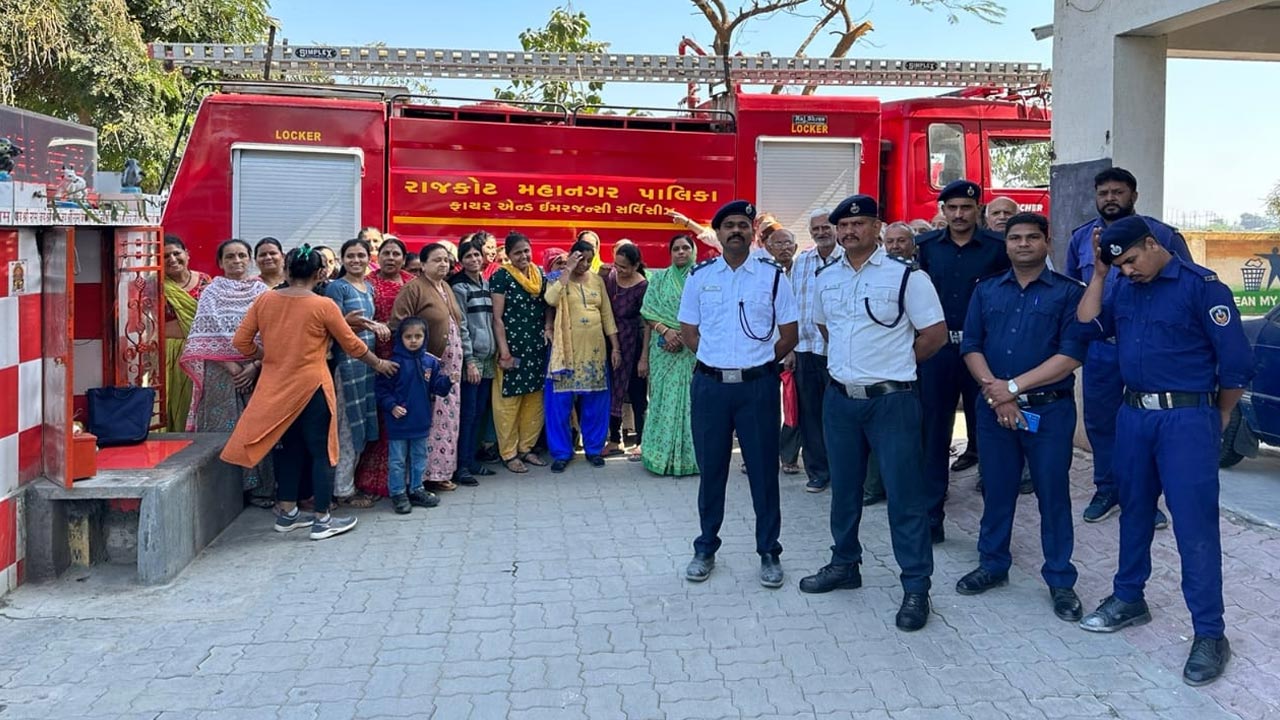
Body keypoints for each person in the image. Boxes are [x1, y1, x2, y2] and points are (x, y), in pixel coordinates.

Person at [1075, 215, 1254, 687]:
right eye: (1121, 266)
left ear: (1152, 244)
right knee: (1133, 512)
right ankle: (1129, 597)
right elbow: (1087, 324)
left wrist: (1217, 415)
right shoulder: (1122, 286)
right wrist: (1100, 275)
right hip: (1134, 416)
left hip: (1186, 419)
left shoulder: (1202, 287)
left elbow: (1236, 363)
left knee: (1195, 526)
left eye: (1132, 260)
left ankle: (1210, 633)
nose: (1129, 270)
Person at [799, 193, 946, 632]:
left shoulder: (907, 277)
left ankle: (916, 585)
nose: (849, 232)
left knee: (904, 496)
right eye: (843, 226)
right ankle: (845, 563)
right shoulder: (826, 277)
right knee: (844, 491)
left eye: (858, 224)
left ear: (877, 228)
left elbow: (934, 335)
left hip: (892, 402)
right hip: (841, 400)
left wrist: (893, 365)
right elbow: (825, 326)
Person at [955, 212, 1087, 622]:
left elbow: (1070, 356)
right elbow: (971, 345)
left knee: (1052, 494)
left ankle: (1060, 579)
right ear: (1006, 244)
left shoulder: (1069, 293)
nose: (1023, 244)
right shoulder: (986, 289)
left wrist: (1012, 388)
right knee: (997, 490)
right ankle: (993, 564)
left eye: (1032, 237)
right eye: (1015, 238)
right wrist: (997, 394)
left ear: (1047, 242)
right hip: (993, 410)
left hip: (1049, 411)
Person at [222, 244, 398, 540]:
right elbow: (352, 344)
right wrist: (378, 363)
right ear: (319, 274)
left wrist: (269, 356)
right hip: (313, 387)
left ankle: (287, 514)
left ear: (286, 271)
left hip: (275, 389)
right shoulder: (323, 305)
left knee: (288, 449)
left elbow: (241, 342)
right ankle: (322, 520)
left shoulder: (265, 300)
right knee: (322, 453)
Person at [678, 200, 799, 589]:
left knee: (763, 472)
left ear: (752, 233)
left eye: (743, 225)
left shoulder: (772, 277)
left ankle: (769, 551)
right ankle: (705, 547)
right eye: (728, 225)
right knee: (711, 471)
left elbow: (790, 333)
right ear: (718, 232)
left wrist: (758, 363)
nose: (736, 231)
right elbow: (689, 332)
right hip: (711, 387)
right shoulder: (700, 276)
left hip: (757, 388)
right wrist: (718, 361)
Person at [1067, 168, 1192, 527]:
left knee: (1146, 422)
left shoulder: (1162, 235)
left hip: (1148, 347)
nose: (1110, 198)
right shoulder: (1081, 238)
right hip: (1102, 348)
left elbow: (1185, 286)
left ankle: (1145, 498)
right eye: (1103, 192)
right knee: (1101, 421)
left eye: (1118, 192)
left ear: (1133, 196)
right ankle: (1107, 489)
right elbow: (1076, 291)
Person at [915, 179, 1011, 544]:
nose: (958, 214)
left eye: (966, 208)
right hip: (937, 352)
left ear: (978, 210)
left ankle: (994, 525)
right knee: (933, 433)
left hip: (982, 353)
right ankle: (931, 515)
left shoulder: (998, 248)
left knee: (989, 432)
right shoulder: (925, 248)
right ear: (943, 210)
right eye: (952, 208)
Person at [180, 239, 273, 505]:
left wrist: (254, 366)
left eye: (242, 255)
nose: (236, 261)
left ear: (250, 259)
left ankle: (261, 490)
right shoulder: (211, 291)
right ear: (220, 262)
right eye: (230, 257)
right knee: (224, 428)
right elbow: (205, 331)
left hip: (257, 368)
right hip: (220, 371)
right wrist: (231, 366)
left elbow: (271, 332)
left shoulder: (263, 291)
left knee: (257, 428)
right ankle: (225, 492)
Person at [390, 243, 467, 492]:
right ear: (423, 264)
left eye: (446, 260)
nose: (443, 264)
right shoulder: (413, 289)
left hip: (450, 368)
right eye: (436, 260)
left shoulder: (446, 287)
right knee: (430, 421)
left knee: (448, 420)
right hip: (425, 367)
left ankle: (441, 472)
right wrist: (416, 358)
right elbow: (398, 325)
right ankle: (423, 477)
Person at [544, 241, 621, 472]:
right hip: (565, 353)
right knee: (559, 405)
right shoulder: (558, 278)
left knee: (596, 404)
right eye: (581, 260)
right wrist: (567, 269)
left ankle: (594, 449)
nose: (585, 265)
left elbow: (607, 315)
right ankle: (561, 453)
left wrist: (615, 347)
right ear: (572, 257)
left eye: (589, 260)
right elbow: (550, 300)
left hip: (594, 352)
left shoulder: (597, 281)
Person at [326, 238, 390, 508]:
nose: (356, 260)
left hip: (367, 365)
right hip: (347, 365)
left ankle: (348, 483)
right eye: (350, 256)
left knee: (362, 425)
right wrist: (351, 324)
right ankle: (342, 489)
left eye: (361, 255)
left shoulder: (369, 287)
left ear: (368, 258)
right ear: (342, 259)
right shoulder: (337, 288)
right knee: (347, 427)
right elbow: (329, 326)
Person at [352, 237, 417, 498]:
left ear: (404, 258)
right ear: (377, 257)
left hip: (406, 356)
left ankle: (407, 478)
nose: (391, 258)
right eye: (386, 253)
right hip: (374, 357)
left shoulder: (411, 283)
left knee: (403, 413)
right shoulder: (368, 283)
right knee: (379, 414)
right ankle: (374, 480)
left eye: (396, 254)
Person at [376, 318, 453, 514]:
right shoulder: (393, 364)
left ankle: (417, 489)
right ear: (400, 338)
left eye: (418, 336)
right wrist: (392, 406)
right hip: (399, 423)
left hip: (421, 421)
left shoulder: (430, 362)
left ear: (425, 337)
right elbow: (381, 390)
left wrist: (448, 381)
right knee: (397, 460)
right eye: (408, 336)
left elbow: (437, 387)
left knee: (419, 457)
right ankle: (398, 493)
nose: (413, 340)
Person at [640, 235, 700, 477]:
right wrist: (666, 331)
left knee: (691, 402)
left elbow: (711, 311)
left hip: (693, 349)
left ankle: (690, 458)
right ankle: (659, 456)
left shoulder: (702, 277)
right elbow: (648, 310)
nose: (681, 252)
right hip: (663, 348)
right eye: (676, 248)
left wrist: (685, 336)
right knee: (663, 399)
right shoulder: (659, 278)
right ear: (670, 253)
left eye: (686, 248)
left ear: (693, 251)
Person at [790, 210, 841, 494]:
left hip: (836, 351)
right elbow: (791, 305)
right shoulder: (802, 261)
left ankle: (842, 471)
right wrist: (789, 349)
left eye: (825, 227)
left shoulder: (847, 258)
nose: (821, 232)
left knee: (838, 415)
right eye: (816, 229)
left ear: (835, 229)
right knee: (809, 415)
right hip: (805, 349)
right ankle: (818, 472)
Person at [490, 232, 550, 473]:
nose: (523, 256)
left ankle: (526, 448)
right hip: (512, 349)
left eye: (526, 250)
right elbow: (497, 318)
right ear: (508, 255)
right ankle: (509, 453)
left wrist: (548, 327)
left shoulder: (539, 275)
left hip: (535, 348)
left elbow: (547, 306)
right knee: (509, 403)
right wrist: (504, 351)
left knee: (534, 400)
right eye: (517, 253)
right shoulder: (501, 277)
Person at [451, 239, 498, 484]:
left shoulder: (487, 284)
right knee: (467, 414)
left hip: (488, 358)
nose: (474, 259)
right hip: (472, 359)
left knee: (479, 412)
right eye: (468, 256)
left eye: (477, 255)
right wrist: (469, 359)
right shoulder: (459, 287)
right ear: (461, 260)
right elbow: (461, 326)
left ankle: (471, 460)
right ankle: (461, 466)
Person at [604, 242, 650, 459]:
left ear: (635, 266)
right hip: (612, 341)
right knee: (613, 391)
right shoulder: (611, 278)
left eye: (623, 267)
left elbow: (647, 323)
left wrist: (644, 358)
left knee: (638, 393)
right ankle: (615, 440)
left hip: (634, 344)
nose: (619, 270)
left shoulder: (643, 286)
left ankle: (642, 441)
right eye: (616, 265)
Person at [162, 235, 212, 431]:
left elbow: (212, 317)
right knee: (173, 399)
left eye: (177, 253)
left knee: (199, 399)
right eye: (165, 256)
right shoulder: (156, 285)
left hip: (200, 351)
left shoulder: (205, 281)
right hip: (170, 354)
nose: (172, 259)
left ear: (187, 254)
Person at [765, 228, 803, 476]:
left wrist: (792, 349)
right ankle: (759, 455)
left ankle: (789, 456)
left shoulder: (804, 272)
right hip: (766, 351)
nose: (784, 248)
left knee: (793, 406)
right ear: (769, 248)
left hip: (794, 349)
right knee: (765, 408)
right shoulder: (762, 273)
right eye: (778, 244)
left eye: (788, 243)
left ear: (796, 247)